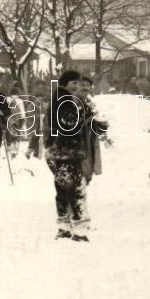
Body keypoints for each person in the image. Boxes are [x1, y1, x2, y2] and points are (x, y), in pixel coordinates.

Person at [45, 70, 99, 242]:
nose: (77, 86)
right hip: (66, 152)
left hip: (57, 151)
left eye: (78, 83)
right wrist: (87, 115)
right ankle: (80, 231)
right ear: (65, 83)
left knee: (63, 191)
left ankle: (64, 228)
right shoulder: (65, 100)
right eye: (74, 83)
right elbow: (69, 124)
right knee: (76, 191)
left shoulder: (59, 97)